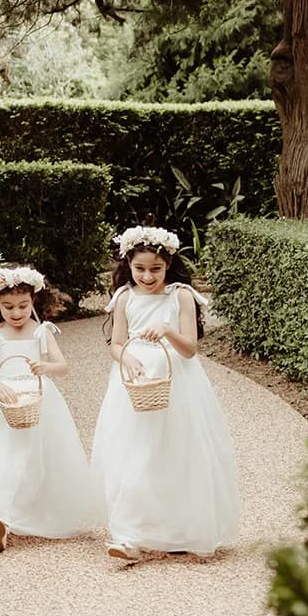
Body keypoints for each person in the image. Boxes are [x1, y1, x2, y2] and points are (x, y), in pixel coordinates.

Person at [90, 226, 239, 565]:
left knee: (176, 454)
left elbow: (190, 349)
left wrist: (168, 330)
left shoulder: (180, 296)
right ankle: (130, 535)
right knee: (134, 453)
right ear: (128, 264)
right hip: (134, 379)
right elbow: (116, 344)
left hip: (178, 381)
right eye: (140, 268)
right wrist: (127, 357)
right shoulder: (125, 298)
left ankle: (179, 529)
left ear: (168, 264)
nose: (147, 276)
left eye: (155, 269)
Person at [0, 264, 98, 552]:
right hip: (3, 401)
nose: (16, 313)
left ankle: (29, 508)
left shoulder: (41, 331)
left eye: (23, 306)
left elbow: (62, 366)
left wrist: (45, 366)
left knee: (33, 456)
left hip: (37, 400)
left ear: (34, 301)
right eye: (8, 307)